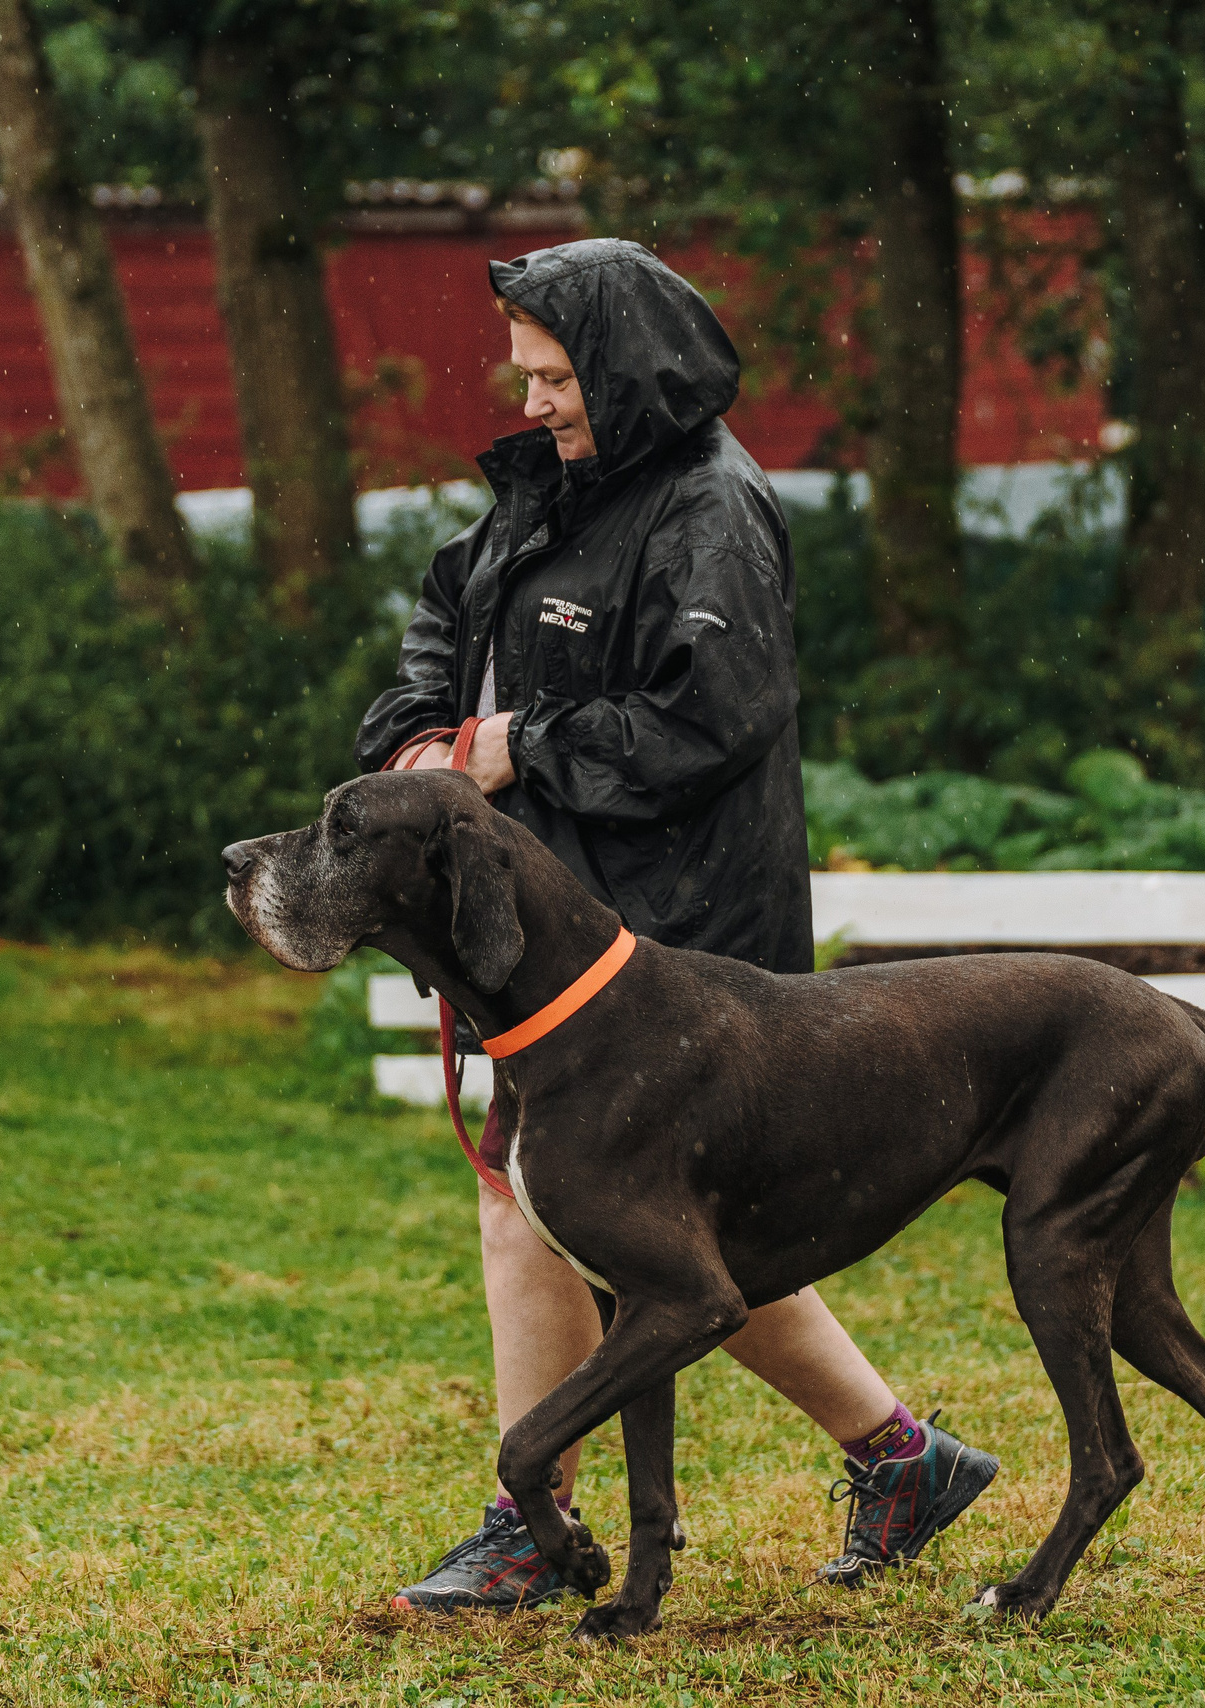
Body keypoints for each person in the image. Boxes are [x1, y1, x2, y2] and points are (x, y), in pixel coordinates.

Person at [355, 238, 997, 1613]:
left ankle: (536, 1525)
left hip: (677, 935)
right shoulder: (545, 494)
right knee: (634, 1225)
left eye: (555, 377)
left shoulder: (711, 507)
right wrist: (419, 736)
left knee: (563, 1211)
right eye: (522, 375)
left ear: (625, 366)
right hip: (544, 929)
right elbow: (439, 627)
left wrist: (517, 748)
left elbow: (708, 724)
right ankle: (900, 1458)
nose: (530, 403)